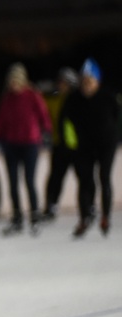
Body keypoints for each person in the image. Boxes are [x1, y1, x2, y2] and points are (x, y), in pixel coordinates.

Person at [61, 58, 119, 237]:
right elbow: (65, 121)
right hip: (84, 146)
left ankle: (105, 217)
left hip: (106, 144)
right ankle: (84, 217)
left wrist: (116, 137)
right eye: (83, 81)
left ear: (97, 82)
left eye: (90, 81)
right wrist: (70, 143)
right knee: (85, 181)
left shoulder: (107, 96)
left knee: (104, 178)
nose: (86, 86)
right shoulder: (73, 99)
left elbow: (118, 117)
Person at [0, 62, 51, 236]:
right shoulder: (7, 98)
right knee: (12, 182)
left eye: (17, 81)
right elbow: (1, 119)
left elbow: (43, 114)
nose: (14, 84)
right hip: (11, 144)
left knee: (29, 180)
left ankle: (35, 216)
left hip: (30, 143)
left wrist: (46, 131)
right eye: (12, 81)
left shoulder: (32, 95)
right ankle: (17, 217)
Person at [40, 67, 79, 221]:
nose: (61, 85)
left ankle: (88, 205)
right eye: (60, 82)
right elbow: (43, 113)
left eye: (65, 83)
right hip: (58, 143)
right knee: (56, 176)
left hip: (77, 145)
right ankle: (51, 204)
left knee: (84, 176)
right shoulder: (53, 100)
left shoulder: (78, 100)